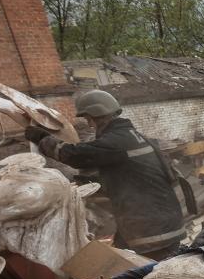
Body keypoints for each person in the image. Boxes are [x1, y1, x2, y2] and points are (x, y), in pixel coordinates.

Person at [25, 90, 189, 259]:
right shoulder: (134, 136)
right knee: (121, 257)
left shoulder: (116, 141)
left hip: (151, 229)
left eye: (89, 119)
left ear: (98, 115)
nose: (89, 125)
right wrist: (98, 181)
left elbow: (75, 155)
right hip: (161, 220)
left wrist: (43, 138)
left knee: (140, 273)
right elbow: (134, 176)